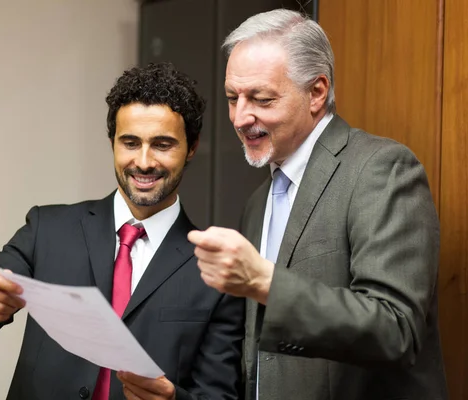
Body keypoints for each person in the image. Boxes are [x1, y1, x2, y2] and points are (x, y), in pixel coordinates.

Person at [0, 62, 244, 400]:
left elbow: (220, 394)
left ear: (192, 148)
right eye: (130, 142)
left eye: (163, 144)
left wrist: (172, 399)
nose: (143, 161)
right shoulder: (47, 230)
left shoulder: (218, 273)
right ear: (112, 142)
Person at [188, 9, 448, 400]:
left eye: (261, 98)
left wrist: (264, 281)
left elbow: (397, 329)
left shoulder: (381, 170)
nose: (240, 117)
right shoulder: (259, 201)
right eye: (232, 98)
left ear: (316, 92)